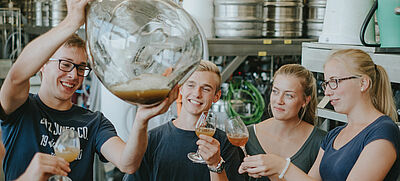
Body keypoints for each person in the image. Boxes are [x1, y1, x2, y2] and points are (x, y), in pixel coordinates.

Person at [0, 0, 178, 180]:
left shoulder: (94, 121)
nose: (73, 75)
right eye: (65, 64)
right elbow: (16, 77)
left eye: (80, 67)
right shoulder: (20, 108)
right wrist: (72, 22)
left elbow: (127, 163)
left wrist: (142, 119)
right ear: (42, 66)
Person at [239, 49, 400, 181]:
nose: (328, 92)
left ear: (363, 83)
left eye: (335, 81)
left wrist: (282, 166)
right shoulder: (335, 135)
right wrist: (272, 170)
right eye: (326, 83)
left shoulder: (383, 131)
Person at [124, 60, 245, 181]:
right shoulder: (151, 139)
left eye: (206, 89)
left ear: (216, 96)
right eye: (191, 85)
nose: (197, 94)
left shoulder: (226, 144)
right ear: (181, 89)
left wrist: (216, 164)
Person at [243, 64, 326, 181]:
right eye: (275, 91)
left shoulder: (321, 141)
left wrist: (276, 169)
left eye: (289, 95)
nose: (279, 101)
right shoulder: (247, 136)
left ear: (305, 100)